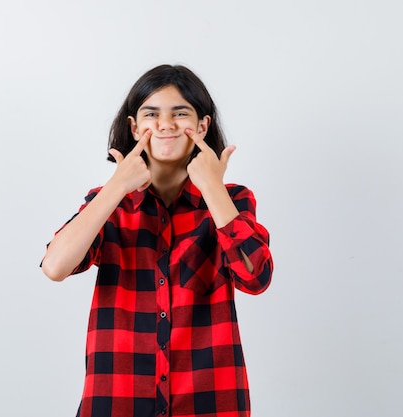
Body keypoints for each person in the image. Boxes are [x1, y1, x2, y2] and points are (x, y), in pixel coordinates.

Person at [41, 64, 273, 417]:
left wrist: (211, 186)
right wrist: (117, 186)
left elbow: (255, 278)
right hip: (118, 401)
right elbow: (55, 267)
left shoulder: (232, 201)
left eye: (180, 113)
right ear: (135, 127)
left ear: (202, 126)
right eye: (152, 114)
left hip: (208, 402)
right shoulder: (108, 205)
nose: (165, 124)